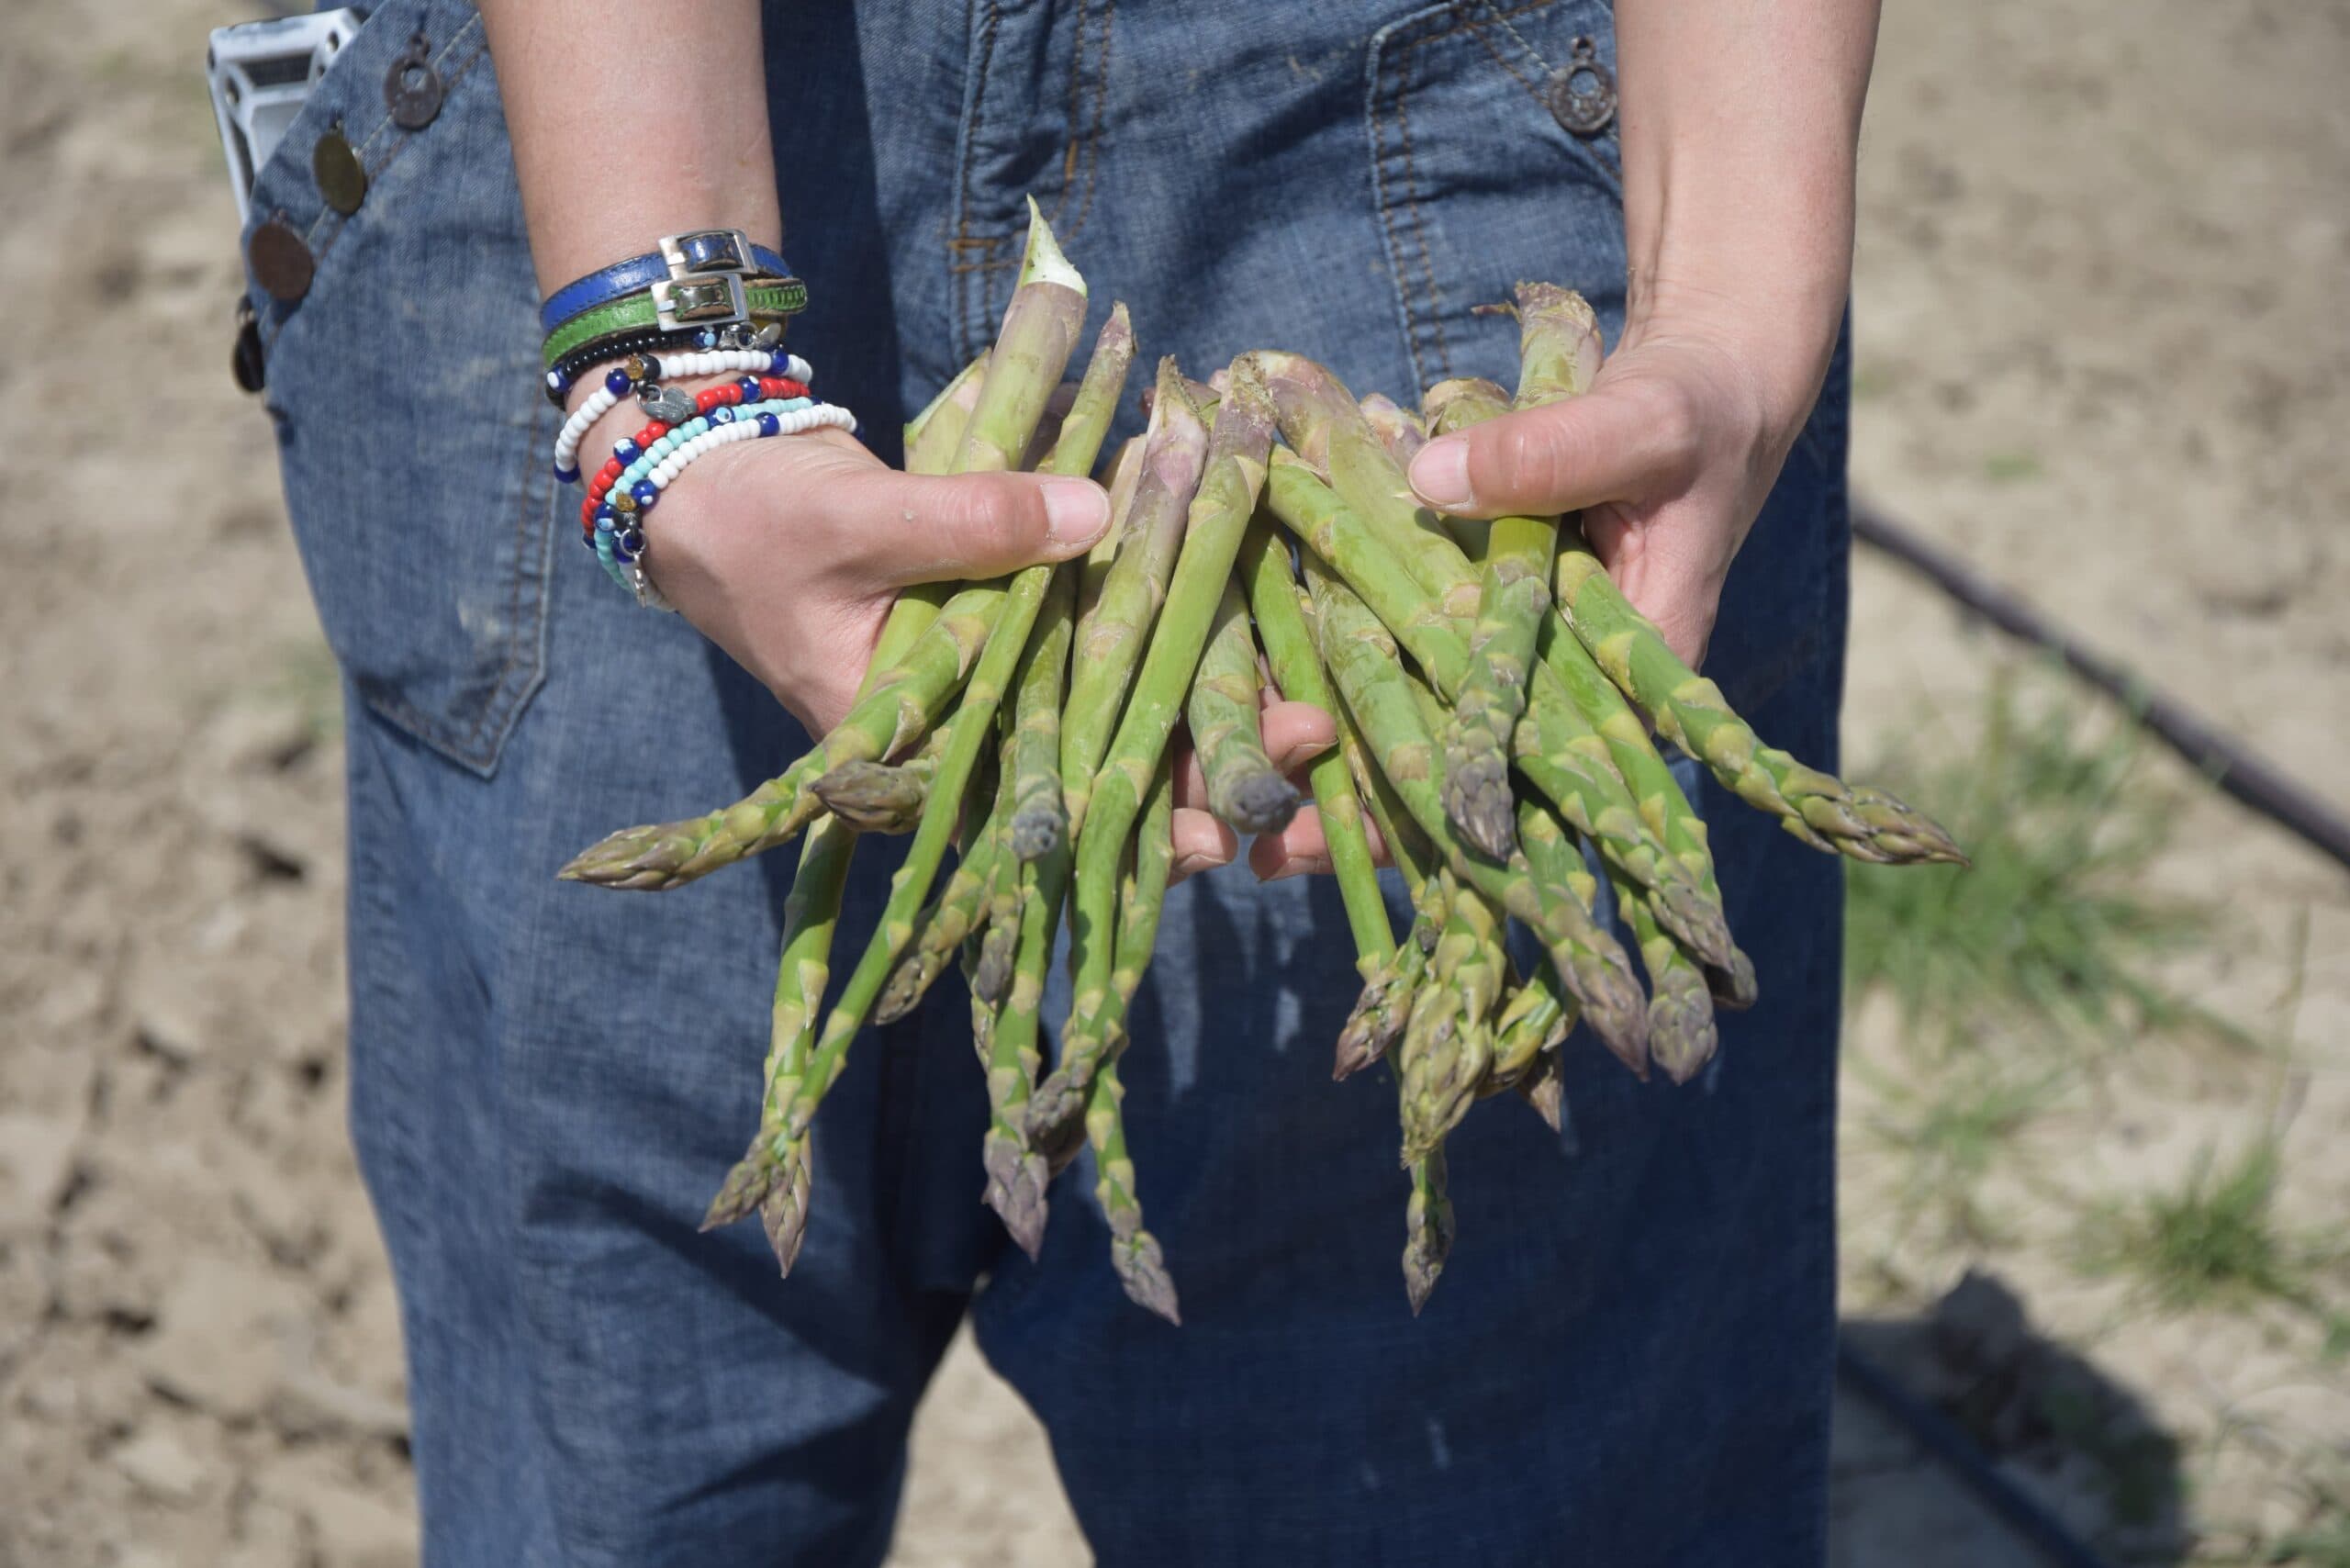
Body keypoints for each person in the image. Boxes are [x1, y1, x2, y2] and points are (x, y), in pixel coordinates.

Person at [241, 0, 1877, 1562]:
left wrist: (1735, 283)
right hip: (587, 130)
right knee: (631, 1481)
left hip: (1431, 137)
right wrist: (672, 361)